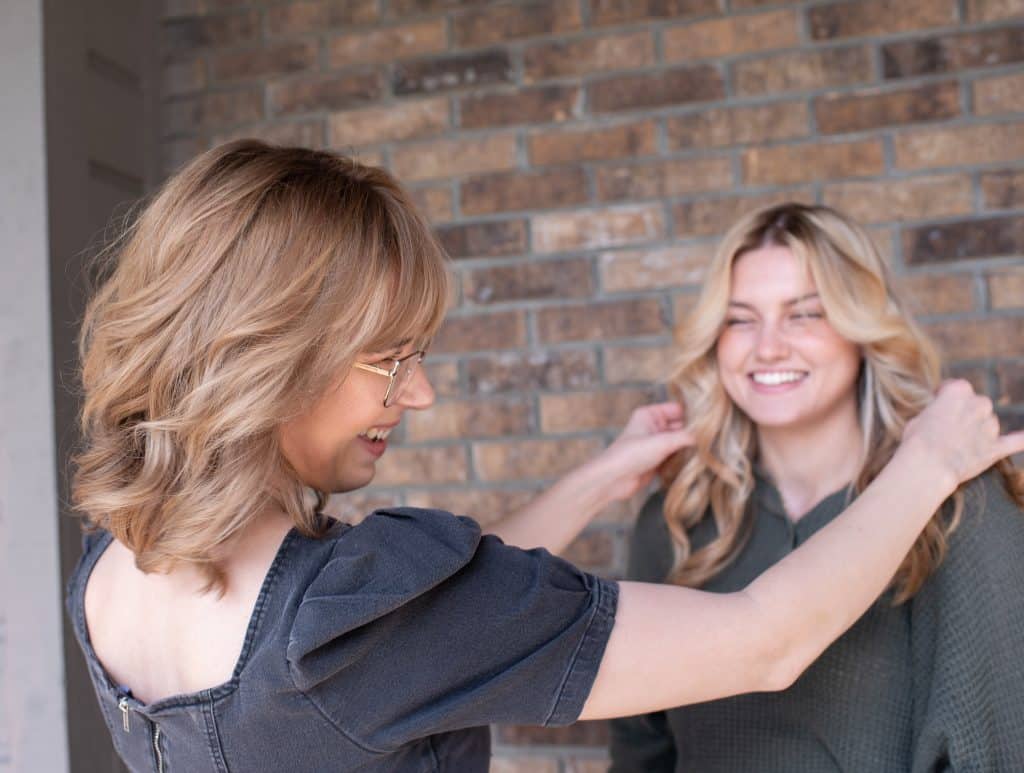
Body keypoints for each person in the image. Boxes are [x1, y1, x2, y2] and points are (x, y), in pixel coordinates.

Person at [66, 142, 1021, 773]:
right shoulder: (353, 615)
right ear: (278, 360)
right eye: (393, 360)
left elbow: (427, 617)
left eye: (807, 312)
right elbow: (764, 639)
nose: (422, 392)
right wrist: (931, 461)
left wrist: (601, 475)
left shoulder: (107, 575)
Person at [609, 202, 1024, 772]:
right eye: (740, 319)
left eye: (804, 314)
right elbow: (641, 751)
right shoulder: (676, 521)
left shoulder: (958, 506)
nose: (769, 347)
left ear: (862, 329)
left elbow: (998, 752)